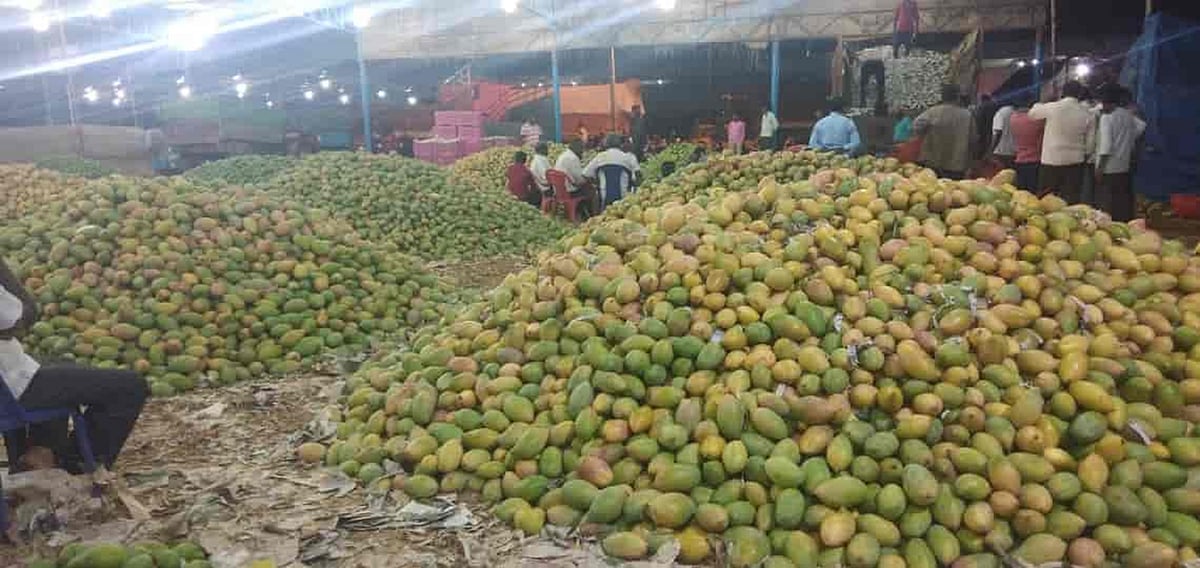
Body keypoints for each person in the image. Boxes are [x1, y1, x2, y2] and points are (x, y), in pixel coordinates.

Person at [0, 258, 148, 475]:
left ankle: (38, 455)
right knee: (131, 387)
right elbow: (20, 314)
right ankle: (74, 470)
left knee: (57, 363)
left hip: (8, 380)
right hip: (9, 388)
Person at [1029, 81, 1095, 203]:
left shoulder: (1053, 107)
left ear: (1062, 93)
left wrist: (1044, 101)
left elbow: (1032, 114)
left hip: (1052, 159)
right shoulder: (1087, 113)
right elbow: (1090, 145)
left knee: (1046, 199)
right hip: (1076, 161)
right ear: (1080, 94)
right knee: (1071, 199)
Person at [1095, 86, 1146, 222]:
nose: (1102, 107)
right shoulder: (1128, 115)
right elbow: (1141, 127)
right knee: (1122, 200)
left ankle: (1108, 228)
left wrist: (1100, 168)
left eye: (1104, 103)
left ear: (1110, 103)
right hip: (1124, 165)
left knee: (1107, 202)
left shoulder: (1107, 118)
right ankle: (1124, 224)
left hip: (1109, 167)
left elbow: (1106, 146)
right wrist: (1127, 141)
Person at [913, 84, 975, 179]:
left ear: (942, 97)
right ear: (958, 97)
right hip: (957, 166)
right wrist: (970, 165)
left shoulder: (932, 112)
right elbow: (973, 141)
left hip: (933, 163)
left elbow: (916, 127)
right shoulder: (967, 115)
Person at [585, 134, 642, 208]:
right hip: (624, 200)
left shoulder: (599, 157)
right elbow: (638, 176)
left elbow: (585, 175)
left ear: (606, 144)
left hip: (604, 198)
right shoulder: (629, 157)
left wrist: (597, 183)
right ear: (620, 144)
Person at [1008, 97, 1046, 192]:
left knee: (1021, 191)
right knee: (1032, 192)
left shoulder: (1013, 118)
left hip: (1019, 159)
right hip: (1034, 160)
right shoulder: (1037, 120)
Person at [990, 98, 1017, 169]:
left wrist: (991, 150)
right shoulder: (1016, 113)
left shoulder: (1000, 113)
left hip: (1000, 152)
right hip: (1013, 152)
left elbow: (998, 132)